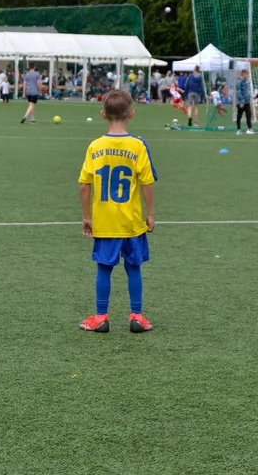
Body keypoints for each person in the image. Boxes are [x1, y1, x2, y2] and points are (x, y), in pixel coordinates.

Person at [77, 89, 156, 334]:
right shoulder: (138, 145)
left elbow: (84, 184)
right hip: (131, 222)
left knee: (104, 268)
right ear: (131, 113)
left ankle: (101, 317)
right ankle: (137, 316)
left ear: (103, 114)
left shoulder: (95, 146)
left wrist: (87, 217)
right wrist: (150, 214)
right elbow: (147, 183)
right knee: (134, 268)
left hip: (105, 222)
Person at [234, 68, 254, 134]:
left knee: (248, 115)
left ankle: (250, 129)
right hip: (241, 102)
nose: (248, 75)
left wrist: (248, 97)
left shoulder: (245, 81)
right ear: (243, 74)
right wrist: (242, 101)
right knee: (239, 115)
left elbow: (245, 91)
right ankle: (238, 130)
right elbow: (238, 92)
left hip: (246, 101)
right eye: (247, 73)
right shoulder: (239, 82)